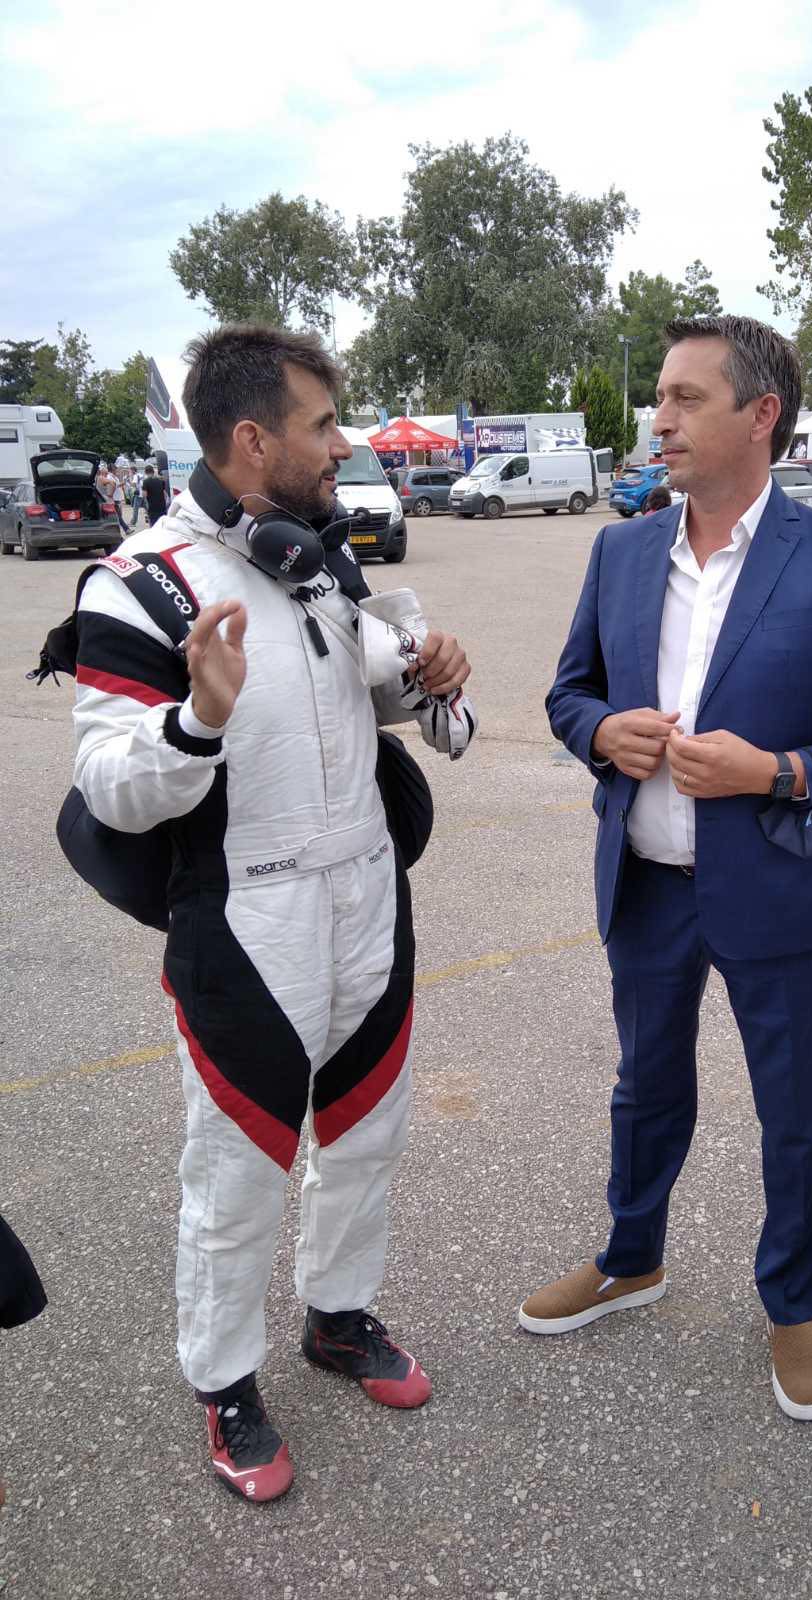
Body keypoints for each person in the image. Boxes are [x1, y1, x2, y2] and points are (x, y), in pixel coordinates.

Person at [71, 323, 475, 1503]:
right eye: (323, 425)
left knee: (366, 1133)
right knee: (238, 1170)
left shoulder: (316, 559)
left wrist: (433, 678)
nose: (342, 446)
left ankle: (338, 1316)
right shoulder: (139, 580)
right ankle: (225, 1379)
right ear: (252, 440)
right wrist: (196, 718)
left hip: (369, 897)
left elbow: (385, 695)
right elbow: (108, 784)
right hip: (247, 920)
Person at [522, 315, 812, 1421]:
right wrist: (602, 733)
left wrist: (777, 771)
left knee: (792, 1109)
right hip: (648, 880)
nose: (659, 417)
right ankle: (631, 1256)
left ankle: (792, 1302)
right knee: (644, 1086)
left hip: (782, 888)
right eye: (660, 396)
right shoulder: (622, 550)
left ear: (761, 415)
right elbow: (567, 694)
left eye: (686, 397)